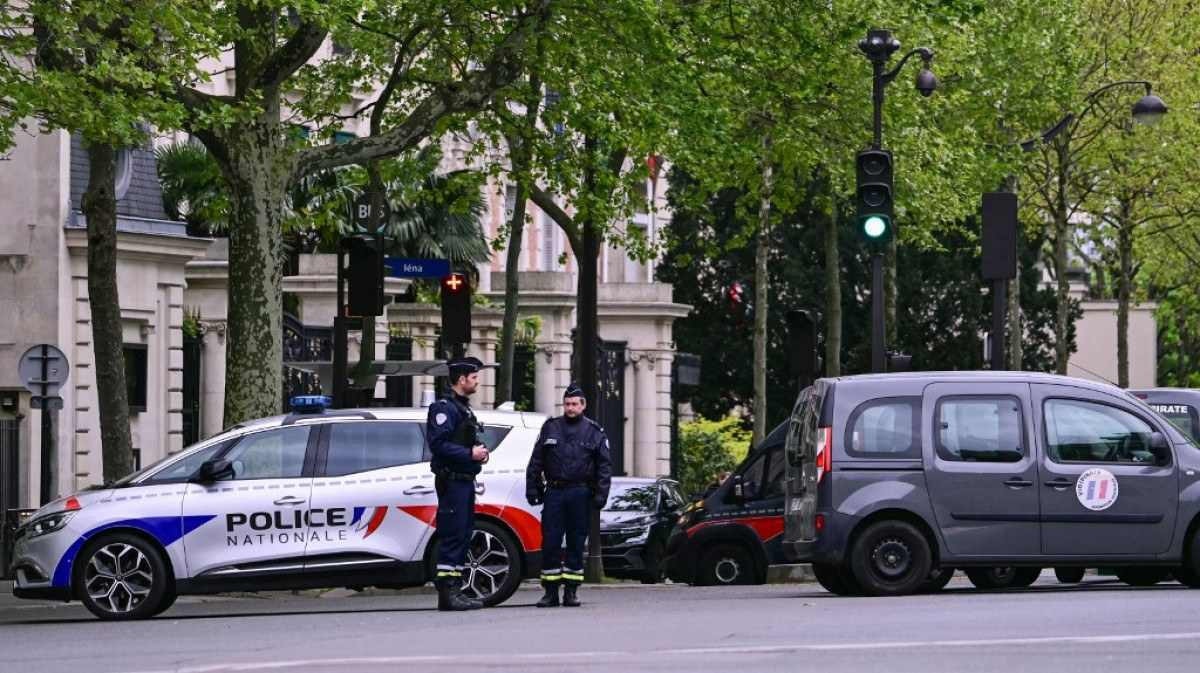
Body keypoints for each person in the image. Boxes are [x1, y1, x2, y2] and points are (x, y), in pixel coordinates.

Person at [525, 383, 612, 607]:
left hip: (580, 493)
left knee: (575, 542)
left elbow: (604, 467)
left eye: (574, 404)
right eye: (567, 404)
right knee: (551, 541)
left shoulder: (594, 432)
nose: (570, 408)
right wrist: (532, 488)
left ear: (583, 406)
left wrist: (601, 495)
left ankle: (571, 591)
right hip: (554, 491)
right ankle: (550, 592)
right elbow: (536, 460)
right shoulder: (551, 428)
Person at [426, 356, 490, 611]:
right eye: (473, 378)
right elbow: (438, 445)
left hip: (464, 481)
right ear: (461, 379)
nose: (476, 382)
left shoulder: (462, 409)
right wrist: (469, 454)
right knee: (453, 536)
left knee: (463, 535)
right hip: (452, 481)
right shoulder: (443, 408)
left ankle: (457, 590)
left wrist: (479, 452)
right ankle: (447, 594)